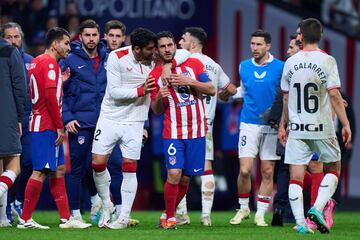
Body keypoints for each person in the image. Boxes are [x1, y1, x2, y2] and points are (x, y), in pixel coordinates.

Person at [91, 28, 190, 229]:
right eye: (150, 49)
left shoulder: (155, 61)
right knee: (97, 164)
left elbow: (186, 53)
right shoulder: (116, 58)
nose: (155, 52)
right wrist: (141, 90)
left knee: (129, 167)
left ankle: (123, 217)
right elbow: (114, 91)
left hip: (135, 121)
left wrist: (170, 64)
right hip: (109, 118)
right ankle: (108, 204)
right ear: (136, 49)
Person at [278, 18, 351, 234]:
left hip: (298, 128)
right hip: (322, 126)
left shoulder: (290, 62)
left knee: (296, 176)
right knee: (334, 168)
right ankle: (317, 208)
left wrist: (285, 123)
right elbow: (335, 95)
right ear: (320, 36)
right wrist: (345, 124)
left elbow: (285, 98)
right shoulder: (327, 60)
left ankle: (301, 224)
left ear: (300, 36)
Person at [17, 27, 91, 229]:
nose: (69, 47)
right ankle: (25, 219)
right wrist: (60, 127)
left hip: (42, 122)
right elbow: (49, 98)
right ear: (54, 44)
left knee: (57, 170)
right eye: (66, 43)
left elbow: (43, 89)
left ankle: (66, 218)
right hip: (47, 125)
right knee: (40, 171)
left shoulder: (37, 62)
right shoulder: (49, 64)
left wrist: (60, 80)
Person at [151, 31, 215, 229]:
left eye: (170, 45)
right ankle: (170, 218)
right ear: (158, 50)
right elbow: (155, 110)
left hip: (197, 131)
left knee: (186, 177)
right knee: (174, 174)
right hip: (173, 132)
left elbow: (211, 89)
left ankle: (166, 213)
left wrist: (190, 82)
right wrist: (160, 97)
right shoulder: (155, 74)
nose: (167, 49)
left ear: (174, 46)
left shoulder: (194, 64)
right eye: (162, 47)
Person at [175, 27, 237, 226]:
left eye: (183, 39)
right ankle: (206, 216)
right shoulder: (213, 65)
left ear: (192, 44)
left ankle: (182, 214)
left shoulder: (183, 61)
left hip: (185, 122)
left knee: (179, 168)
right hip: (206, 125)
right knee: (207, 168)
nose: (179, 43)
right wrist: (224, 94)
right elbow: (231, 89)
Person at [230, 30, 284, 227]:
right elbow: (243, 91)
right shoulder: (244, 66)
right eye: (252, 44)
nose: (254, 48)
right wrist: (227, 94)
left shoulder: (280, 67)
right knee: (245, 170)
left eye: (259, 44)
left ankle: (260, 214)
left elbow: (284, 95)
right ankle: (243, 208)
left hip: (271, 126)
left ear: (268, 46)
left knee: (268, 171)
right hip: (249, 123)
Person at [60, 19, 107, 224]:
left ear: (100, 37)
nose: (91, 39)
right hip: (79, 123)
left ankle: (103, 204)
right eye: (87, 35)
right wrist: (67, 118)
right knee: (77, 168)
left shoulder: (108, 59)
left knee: (99, 166)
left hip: (104, 123)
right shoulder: (69, 60)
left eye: (94, 35)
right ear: (80, 37)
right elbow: (59, 91)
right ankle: (75, 214)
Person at [1, 22, 33, 224]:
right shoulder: (10, 53)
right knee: (15, 166)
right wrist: (21, 118)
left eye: (16, 37)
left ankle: (2, 219)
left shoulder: (28, 59)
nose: (13, 41)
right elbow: (21, 90)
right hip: (8, 116)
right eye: (9, 37)